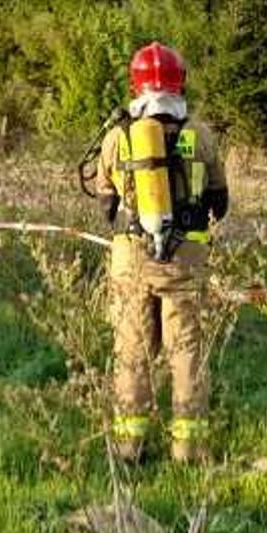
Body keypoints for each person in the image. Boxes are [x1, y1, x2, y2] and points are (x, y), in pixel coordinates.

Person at [92, 42, 230, 464]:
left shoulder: (117, 137)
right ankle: (188, 448)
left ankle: (129, 447)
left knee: (132, 351)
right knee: (185, 351)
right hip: (185, 266)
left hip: (131, 263)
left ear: (136, 85)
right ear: (178, 83)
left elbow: (105, 204)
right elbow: (220, 204)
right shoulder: (200, 135)